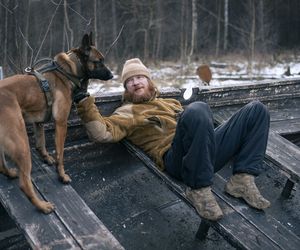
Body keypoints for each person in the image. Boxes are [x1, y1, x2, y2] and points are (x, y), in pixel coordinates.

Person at [74, 58, 271, 221]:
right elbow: (101, 133)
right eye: (130, 81)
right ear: (126, 88)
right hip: (176, 160)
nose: (135, 82)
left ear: (149, 81)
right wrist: (84, 102)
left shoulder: (169, 102)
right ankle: (198, 190)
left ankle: (242, 180)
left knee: (256, 110)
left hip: (202, 154)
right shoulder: (126, 112)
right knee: (199, 108)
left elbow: (197, 126)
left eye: (140, 77)